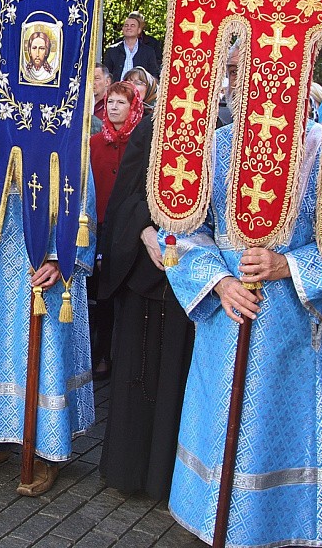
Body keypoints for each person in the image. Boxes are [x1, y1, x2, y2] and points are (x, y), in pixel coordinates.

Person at [163, 44, 322, 546]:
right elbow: (180, 228)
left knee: (281, 425)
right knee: (220, 417)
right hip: (226, 317)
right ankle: (213, 518)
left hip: (295, 323)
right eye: (230, 71)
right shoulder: (214, 146)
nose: (235, 83)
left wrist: (288, 264)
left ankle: (289, 526)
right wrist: (219, 282)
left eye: (245, 70)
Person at [0, 109, 96, 496]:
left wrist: (62, 256)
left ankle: (46, 450)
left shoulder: (66, 116)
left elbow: (82, 194)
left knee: (47, 350)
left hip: (47, 256)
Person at [97, 104, 193, 502]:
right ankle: (129, 469)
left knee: (178, 378)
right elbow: (126, 196)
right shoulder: (154, 125)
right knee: (137, 374)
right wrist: (143, 229)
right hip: (145, 274)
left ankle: (168, 478)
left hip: (192, 275)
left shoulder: (221, 129)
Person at [87, 81, 144, 379]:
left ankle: (122, 355)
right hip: (98, 226)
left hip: (130, 227)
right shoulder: (95, 143)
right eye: (110, 102)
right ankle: (100, 354)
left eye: (121, 102)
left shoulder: (141, 142)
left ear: (133, 107)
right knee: (100, 292)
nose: (113, 107)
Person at [102, 13, 161, 81]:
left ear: (139, 30)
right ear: (122, 29)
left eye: (132, 26)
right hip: (117, 87)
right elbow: (106, 75)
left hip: (139, 87)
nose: (129, 28)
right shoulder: (112, 50)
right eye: (126, 25)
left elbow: (154, 75)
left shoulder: (148, 51)